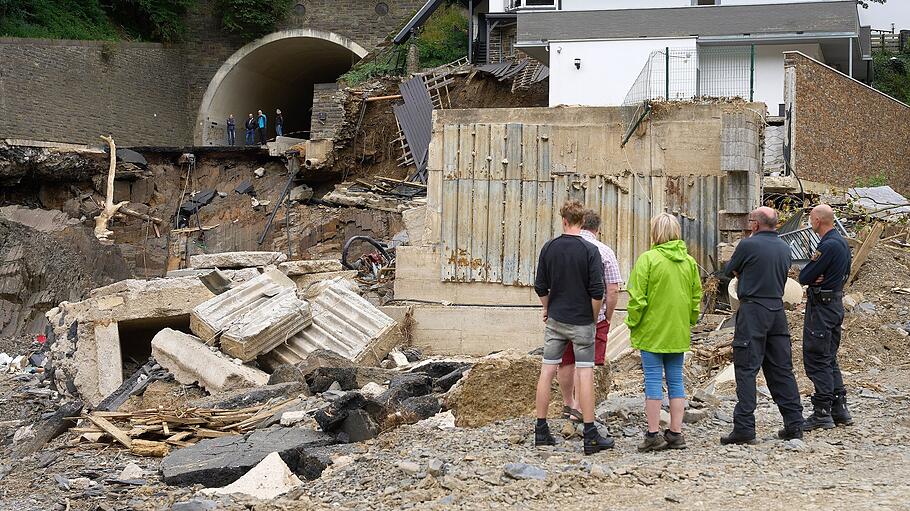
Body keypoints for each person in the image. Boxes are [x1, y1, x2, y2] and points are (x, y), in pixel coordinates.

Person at [533, 200, 614, 455]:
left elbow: (540, 287)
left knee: (547, 371)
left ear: (564, 221)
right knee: (585, 373)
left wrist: (547, 308)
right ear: (581, 222)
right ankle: (589, 435)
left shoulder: (550, 247)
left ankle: (541, 430)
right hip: (582, 321)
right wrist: (590, 317)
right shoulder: (590, 250)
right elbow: (598, 291)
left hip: (556, 320)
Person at [722, 206, 804, 444]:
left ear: (755, 224)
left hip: (753, 310)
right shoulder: (784, 247)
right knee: (781, 370)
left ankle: (745, 428)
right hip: (777, 312)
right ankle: (794, 424)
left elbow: (730, 270)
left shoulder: (748, 245)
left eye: (750, 221)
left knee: (746, 368)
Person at [625, 213, 702, 452]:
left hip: (652, 331)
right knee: (676, 381)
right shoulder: (689, 262)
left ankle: (652, 435)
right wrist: (688, 320)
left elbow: (637, 298)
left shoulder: (648, 259)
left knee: (653, 382)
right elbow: (695, 297)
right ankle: (676, 433)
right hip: (677, 331)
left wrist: (632, 322)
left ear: (655, 233)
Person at [557, 209, 622, 423]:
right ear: (597, 229)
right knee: (585, 363)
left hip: (564, 313)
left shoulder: (560, 247)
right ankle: (577, 407)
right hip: (594, 314)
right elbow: (612, 289)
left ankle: (567, 404)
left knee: (566, 360)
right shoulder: (604, 251)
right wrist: (608, 316)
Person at [799, 204, 853, 430]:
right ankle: (839, 408)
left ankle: (822, 411)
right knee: (829, 356)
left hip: (822, 307)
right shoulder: (841, 242)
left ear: (818, 220)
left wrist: (816, 277)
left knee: (816, 358)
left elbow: (805, 275)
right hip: (835, 302)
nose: (810, 223)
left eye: (811, 219)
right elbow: (845, 273)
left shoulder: (828, 245)